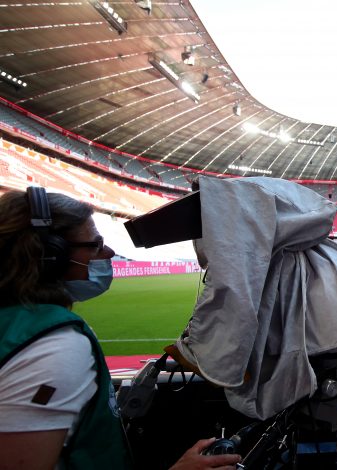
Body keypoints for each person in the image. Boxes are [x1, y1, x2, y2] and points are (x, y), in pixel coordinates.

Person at [0, 187, 241, 469]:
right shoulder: (53, 348)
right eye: (95, 244)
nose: (109, 252)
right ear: (50, 255)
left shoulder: (17, 325)